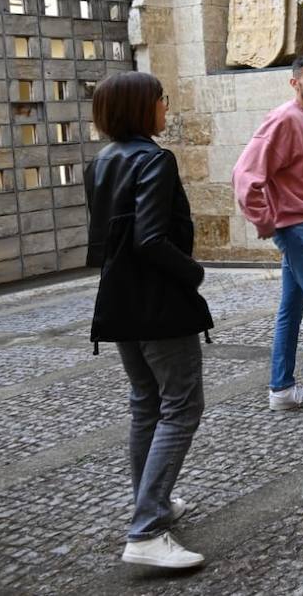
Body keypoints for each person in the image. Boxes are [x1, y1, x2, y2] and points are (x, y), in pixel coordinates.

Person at [85, 71, 212, 570]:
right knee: (181, 406)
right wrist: (194, 272)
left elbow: (104, 241)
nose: (166, 107)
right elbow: (151, 238)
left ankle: (152, 504)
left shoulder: (101, 163)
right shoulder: (155, 160)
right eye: (162, 99)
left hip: (119, 302)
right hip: (159, 304)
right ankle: (147, 529)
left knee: (146, 405)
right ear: (143, 108)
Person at [231, 55, 303, 414]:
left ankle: (281, 389)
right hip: (297, 228)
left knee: (293, 307)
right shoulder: (284, 119)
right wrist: (266, 221)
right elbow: (245, 174)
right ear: (294, 82)